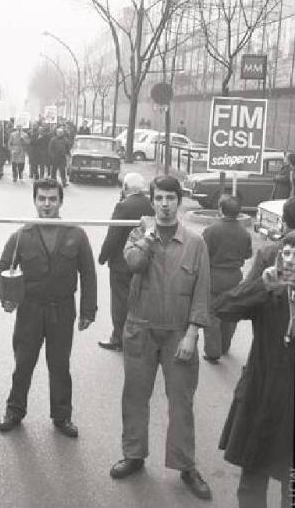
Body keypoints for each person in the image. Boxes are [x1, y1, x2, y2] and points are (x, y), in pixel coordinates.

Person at [110, 175, 212, 501]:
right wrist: (149, 236)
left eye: (170, 198)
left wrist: (193, 334)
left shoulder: (196, 244)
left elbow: (202, 292)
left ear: (178, 202)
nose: (165, 204)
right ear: (151, 202)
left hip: (178, 335)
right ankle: (134, 455)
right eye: (159, 198)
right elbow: (133, 263)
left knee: (181, 401)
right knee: (135, 396)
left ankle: (185, 464)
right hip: (140, 329)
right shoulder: (139, 235)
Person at [0, 179, 97, 438]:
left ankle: (62, 416)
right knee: (24, 363)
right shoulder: (22, 236)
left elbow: (88, 274)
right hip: (29, 310)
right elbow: (2, 267)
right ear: (35, 201)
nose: (47, 204)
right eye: (42, 198)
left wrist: (87, 311)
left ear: (61, 201)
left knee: (60, 365)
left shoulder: (76, 234)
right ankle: (14, 411)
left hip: (62, 310)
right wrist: (7, 299)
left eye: (53, 199)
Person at [214, 232, 295, 508]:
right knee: (252, 486)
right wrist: (263, 286)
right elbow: (224, 308)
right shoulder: (271, 271)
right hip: (263, 393)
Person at [97, 173, 154, 351]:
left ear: (126, 188)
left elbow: (114, 235)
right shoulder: (151, 204)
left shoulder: (123, 206)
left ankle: (118, 338)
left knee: (120, 301)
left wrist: (102, 256)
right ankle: (140, 338)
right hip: (145, 260)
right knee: (140, 300)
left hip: (122, 263)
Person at [201, 195, 252, 363]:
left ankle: (213, 351)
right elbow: (248, 254)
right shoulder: (244, 233)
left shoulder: (211, 230)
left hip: (214, 275)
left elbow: (203, 254)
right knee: (229, 312)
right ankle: (224, 346)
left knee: (212, 313)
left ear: (221, 210)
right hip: (234, 276)